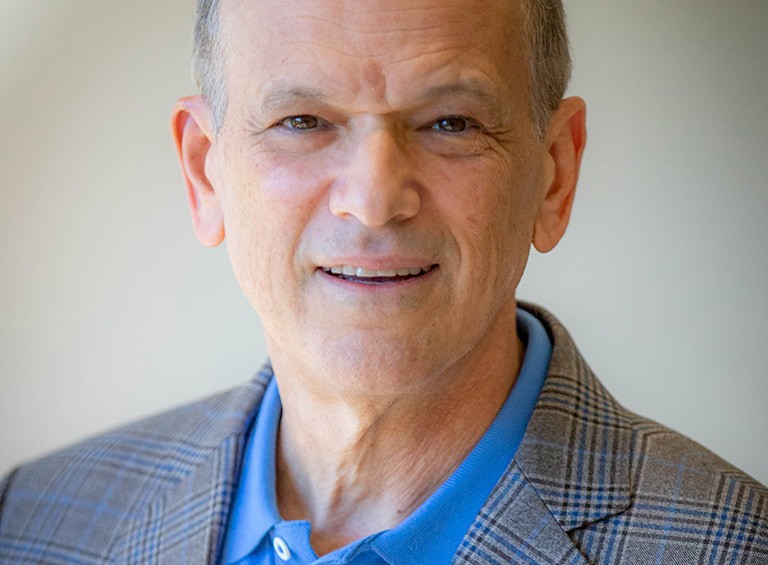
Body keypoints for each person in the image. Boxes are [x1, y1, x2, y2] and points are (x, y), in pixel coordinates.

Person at [1, 0, 766, 562]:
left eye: (450, 123)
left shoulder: (733, 545)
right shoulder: (32, 524)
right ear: (205, 172)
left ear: (554, 175)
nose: (372, 200)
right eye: (304, 120)